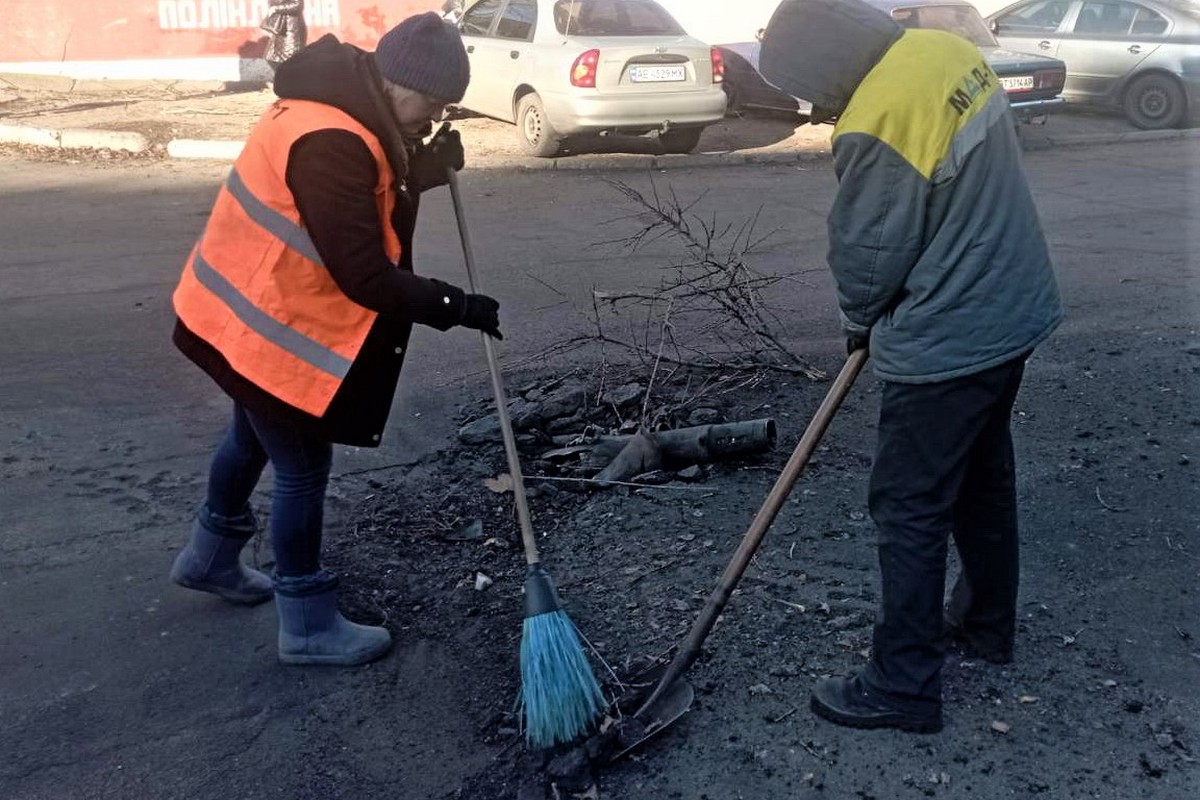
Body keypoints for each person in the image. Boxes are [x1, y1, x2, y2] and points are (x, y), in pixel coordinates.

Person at [759, 0, 1063, 732]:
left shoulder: (876, 115)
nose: (815, 106)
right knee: (983, 479)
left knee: (909, 504)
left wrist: (858, 325)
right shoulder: (941, 52)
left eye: (808, 89)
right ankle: (987, 626)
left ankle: (903, 684)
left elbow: (870, 254)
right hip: (1013, 306)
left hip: (948, 338)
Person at [169, 12, 501, 667]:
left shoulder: (344, 108)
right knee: (301, 468)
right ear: (397, 82)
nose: (433, 118)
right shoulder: (331, 141)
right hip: (268, 330)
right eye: (430, 106)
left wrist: (422, 167)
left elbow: (369, 190)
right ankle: (307, 625)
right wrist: (455, 305)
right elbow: (364, 272)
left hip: (244, 316)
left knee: (248, 438)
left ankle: (208, 560)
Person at [261, 0, 307, 71]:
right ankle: (284, 80)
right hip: (280, 29)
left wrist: (276, 8)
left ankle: (291, 80)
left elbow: (297, 4)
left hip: (292, 30)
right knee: (271, 58)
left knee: (290, 59)